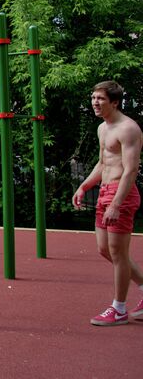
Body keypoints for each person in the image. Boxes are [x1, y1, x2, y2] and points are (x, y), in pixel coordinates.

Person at [71, 81, 143, 326]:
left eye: (100, 98)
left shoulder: (128, 129)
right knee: (104, 249)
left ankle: (119, 309)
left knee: (118, 253)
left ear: (114, 102)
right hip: (105, 192)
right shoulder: (103, 128)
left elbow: (131, 170)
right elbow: (103, 164)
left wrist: (116, 203)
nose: (94, 102)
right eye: (93, 98)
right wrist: (85, 185)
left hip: (120, 195)